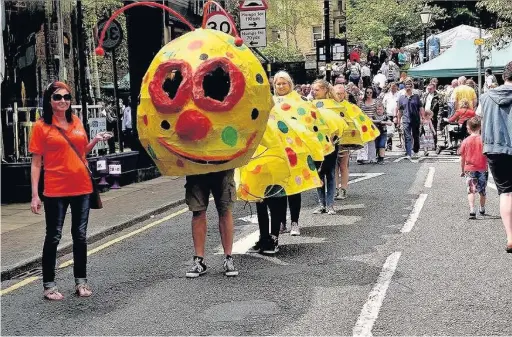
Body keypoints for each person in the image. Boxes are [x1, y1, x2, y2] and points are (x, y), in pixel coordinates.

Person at [29, 81, 113, 300]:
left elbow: (80, 152)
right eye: (57, 97)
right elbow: (36, 163)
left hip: (81, 187)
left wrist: (95, 139)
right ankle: (49, 285)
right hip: (55, 189)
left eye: (66, 97)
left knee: (80, 236)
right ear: (49, 101)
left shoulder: (76, 121)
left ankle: (81, 282)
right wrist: (35, 194)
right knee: (54, 236)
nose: (63, 101)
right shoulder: (40, 127)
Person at [480, 60, 512, 253]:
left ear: (503, 76)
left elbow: (479, 119)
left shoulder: (486, 97)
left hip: (495, 149)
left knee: (506, 193)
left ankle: (510, 236)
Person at [273, 71, 304, 236]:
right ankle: (280, 223)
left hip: (295, 151)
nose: (281, 86)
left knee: (294, 189)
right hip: (276, 151)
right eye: (278, 83)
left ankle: (294, 222)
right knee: (279, 190)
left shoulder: (298, 101)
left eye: (284, 83)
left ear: (290, 84)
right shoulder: (270, 101)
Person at [311, 79, 338, 215]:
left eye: (317, 89)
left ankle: (330, 204)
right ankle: (322, 204)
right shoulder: (310, 105)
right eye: (313, 89)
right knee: (318, 174)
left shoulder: (333, 104)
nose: (314, 92)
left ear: (325, 90)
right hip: (316, 143)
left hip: (332, 141)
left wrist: (335, 136)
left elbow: (340, 122)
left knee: (330, 174)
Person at [459, 117, 488, 220]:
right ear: (480, 127)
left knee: (471, 190)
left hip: (470, 168)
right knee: (482, 190)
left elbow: (462, 158)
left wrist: (462, 170)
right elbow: (487, 155)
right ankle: (482, 208)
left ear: (468, 128)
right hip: (482, 168)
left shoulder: (466, 141)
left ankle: (472, 209)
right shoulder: (483, 140)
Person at [396, 79, 424, 159]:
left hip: (415, 119)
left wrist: (423, 117)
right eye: (406, 85)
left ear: (412, 86)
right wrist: (398, 120)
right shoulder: (401, 98)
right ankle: (408, 153)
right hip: (406, 120)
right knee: (407, 136)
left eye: (409, 85)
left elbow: (421, 108)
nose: (408, 86)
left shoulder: (416, 97)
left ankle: (416, 150)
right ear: (404, 87)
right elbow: (400, 111)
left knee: (416, 135)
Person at [333, 84, 350, 200]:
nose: (339, 95)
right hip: (332, 140)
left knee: (343, 166)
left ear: (345, 94)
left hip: (345, 139)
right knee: (333, 167)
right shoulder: (329, 105)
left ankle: (343, 189)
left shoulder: (348, 106)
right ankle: (334, 189)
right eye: (337, 93)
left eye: (341, 93)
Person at [357, 87, 377, 164]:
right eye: (367, 92)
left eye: (370, 93)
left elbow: (377, 111)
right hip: (363, 123)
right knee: (363, 140)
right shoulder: (362, 101)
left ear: (373, 93)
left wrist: (374, 118)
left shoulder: (375, 102)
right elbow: (358, 111)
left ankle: (372, 158)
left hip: (372, 123)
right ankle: (361, 158)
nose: (369, 94)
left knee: (371, 141)